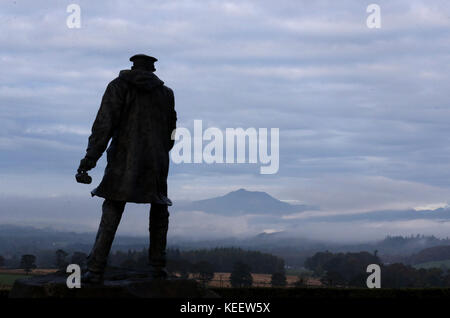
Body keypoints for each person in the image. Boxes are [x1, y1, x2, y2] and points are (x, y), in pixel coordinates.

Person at [76, 54, 177, 283]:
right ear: (152, 69)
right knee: (159, 209)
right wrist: (160, 150)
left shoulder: (118, 86)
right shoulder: (166, 93)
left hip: (124, 159)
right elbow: (172, 130)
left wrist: (89, 160)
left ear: (133, 66)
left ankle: (96, 268)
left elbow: (104, 125)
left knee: (112, 207)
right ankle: (157, 266)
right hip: (156, 161)